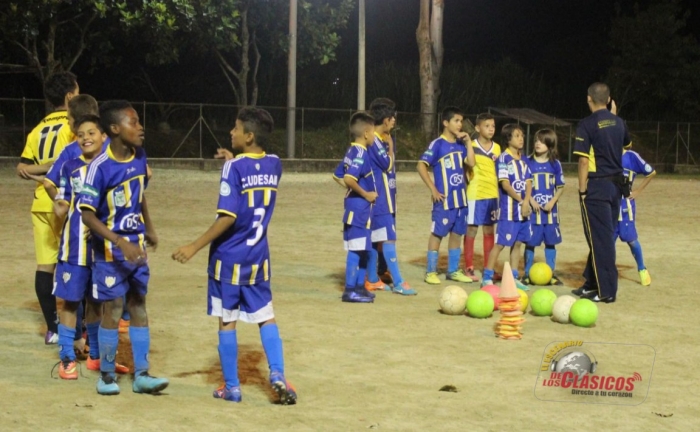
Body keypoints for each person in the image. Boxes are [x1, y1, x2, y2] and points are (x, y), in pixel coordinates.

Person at [172, 107, 296, 405]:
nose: (231, 132)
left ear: (249, 136)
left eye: (236, 128)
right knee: (266, 317)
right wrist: (234, 159)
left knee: (227, 320)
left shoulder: (233, 169)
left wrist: (194, 246)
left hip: (228, 260)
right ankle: (277, 373)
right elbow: (254, 174)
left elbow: (228, 216)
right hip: (258, 259)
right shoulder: (275, 164)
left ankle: (232, 387)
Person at [78, 100, 169, 395]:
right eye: (134, 122)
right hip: (109, 253)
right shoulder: (99, 168)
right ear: (115, 129)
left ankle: (142, 374)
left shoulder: (139, 156)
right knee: (114, 308)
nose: (141, 127)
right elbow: (87, 215)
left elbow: (139, 193)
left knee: (139, 305)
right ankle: (106, 375)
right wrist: (119, 242)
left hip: (136, 249)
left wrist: (149, 227)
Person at [50, 115, 129, 379]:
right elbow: (63, 199)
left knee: (97, 303)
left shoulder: (113, 168)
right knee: (71, 302)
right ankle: (66, 358)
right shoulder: (70, 167)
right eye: (81, 134)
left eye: (91, 133)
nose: (86, 138)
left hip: (102, 249)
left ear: (104, 136)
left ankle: (95, 356)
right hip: (74, 248)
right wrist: (59, 208)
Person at [16, 71, 79, 344]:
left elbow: (22, 167)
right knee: (77, 262)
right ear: (70, 96)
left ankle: (52, 328)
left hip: (41, 202)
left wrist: (37, 169)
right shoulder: (73, 126)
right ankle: (80, 326)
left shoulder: (37, 129)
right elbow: (74, 160)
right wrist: (52, 167)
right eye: (77, 92)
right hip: (65, 201)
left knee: (45, 265)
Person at [572, 83, 632, 303]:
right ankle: (591, 282)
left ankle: (606, 291)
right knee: (603, 236)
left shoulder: (587, 124)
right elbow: (627, 144)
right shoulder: (619, 122)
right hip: (616, 187)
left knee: (600, 240)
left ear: (589, 99)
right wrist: (613, 118)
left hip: (597, 187)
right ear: (608, 100)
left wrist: (582, 190)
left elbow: (583, 161)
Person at [417, 106, 476, 284]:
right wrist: (433, 189)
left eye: (461, 121)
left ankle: (453, 270)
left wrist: (468, 143)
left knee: (457, 234)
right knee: (437, 234)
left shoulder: (461, 144)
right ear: (445, 122)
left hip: (461, 199)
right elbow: (421, 165)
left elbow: (471, 162)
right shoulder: (437, 144)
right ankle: (430, 272)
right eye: (456, 121)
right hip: (444, 200)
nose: (460, 124)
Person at [364, 98, 415, 295]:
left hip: (386, 198)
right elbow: (387, 165)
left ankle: (372, 279)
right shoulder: (376, 141)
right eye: (392, 117)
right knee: (389, 239)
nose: (394, 121)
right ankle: (399, 282)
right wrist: (391, 145)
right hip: (380, 200)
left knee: (376, 239)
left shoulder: (378, 139)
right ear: (385, 119)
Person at [332, 112, 378, 303]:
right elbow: (349, 178)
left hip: (361, 209)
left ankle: (359, 287)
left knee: (364, 249)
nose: (374, 136)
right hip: (359, 210)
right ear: (366, 133)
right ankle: (349, 290)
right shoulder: (360, 153)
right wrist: (365, 194)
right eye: (373, 132)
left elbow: (337, 175)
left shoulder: (352, 151)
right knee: (356, 249)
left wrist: (352, 191)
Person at [481, 124, 532, 289]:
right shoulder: (503, 158)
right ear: (508, 139)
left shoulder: (524, 159)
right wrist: (521, 201)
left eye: (522, 135)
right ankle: (487, 276)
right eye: (517, 136)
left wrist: (527, 201)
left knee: (518, 243)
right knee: (500, 244)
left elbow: (529, 182)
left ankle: (514, 277)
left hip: (523, 211)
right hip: (509, 211)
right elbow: (505, 185)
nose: (521, 139)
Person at [523, 129, 565, 285]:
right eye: (536, 140)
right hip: (533, 214)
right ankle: (527, 273)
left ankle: (551, 273)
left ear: (550, 144)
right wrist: (530, 200)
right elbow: (522, 185)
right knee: (530, 242)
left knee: (550, 241)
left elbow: (560, 186)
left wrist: (552, 201)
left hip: (550, 213)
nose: (537, 143)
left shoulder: (555, 164)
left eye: (542, 141)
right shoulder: (527, 162)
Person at [464, 113, 501, 282]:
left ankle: (488, 268)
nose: (491, 129)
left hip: (492, 194)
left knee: (489, 230)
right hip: (475, 194)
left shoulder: (497, 148)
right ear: (478, 128)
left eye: (493, 126)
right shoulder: (470, 146)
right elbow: (466, 168)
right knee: (471, 229)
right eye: (487, 126)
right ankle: (468, 267)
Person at [616, 148, 656, 286]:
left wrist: (638, 191)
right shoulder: (608, 152)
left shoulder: (631, 156)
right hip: (609, 206)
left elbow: (651, 172)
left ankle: (642, 269)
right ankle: (604, 273)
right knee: (606, 242)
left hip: (625, 207)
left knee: (631, 240)